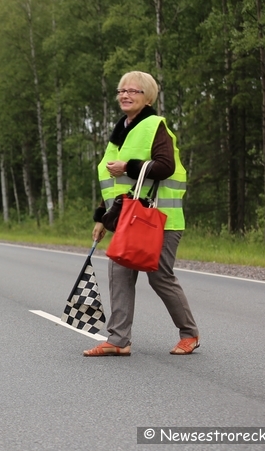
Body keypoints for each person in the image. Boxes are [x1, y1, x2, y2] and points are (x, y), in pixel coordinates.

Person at [84, 71, 199, 356]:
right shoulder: (120, 131)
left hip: (160, 219)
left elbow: (165, 167)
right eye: (121, 91)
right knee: (119, 272)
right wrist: (101, 218)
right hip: (128, 218)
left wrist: (128, 166)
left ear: (147, 97)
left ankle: (190, 334)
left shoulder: (155, 126)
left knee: (160, 276)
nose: (124, 95)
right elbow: (112, 184)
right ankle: (119, 340)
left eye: (132, 91)